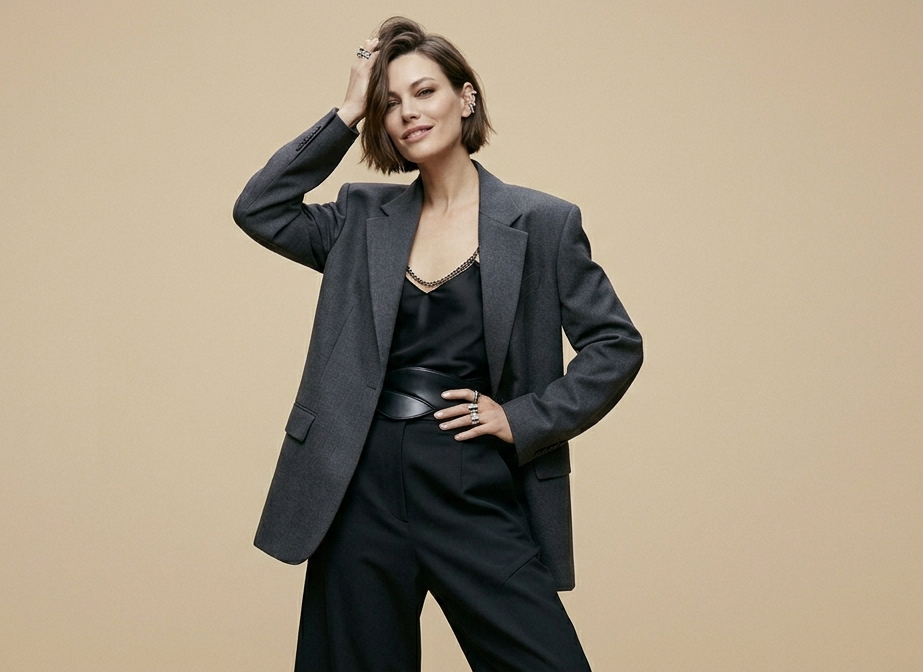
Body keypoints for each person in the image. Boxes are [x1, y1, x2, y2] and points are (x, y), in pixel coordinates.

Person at [231, 16, 643, 671]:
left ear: (465, 97)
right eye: (390, 102)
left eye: (424, 91)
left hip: (471, 475)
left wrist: (522, 418)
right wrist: (347, 110)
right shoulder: (359, 218)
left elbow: (615, 345)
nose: (408, 113)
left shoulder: (543, 222)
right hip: (359, 480)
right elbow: (261, 208)